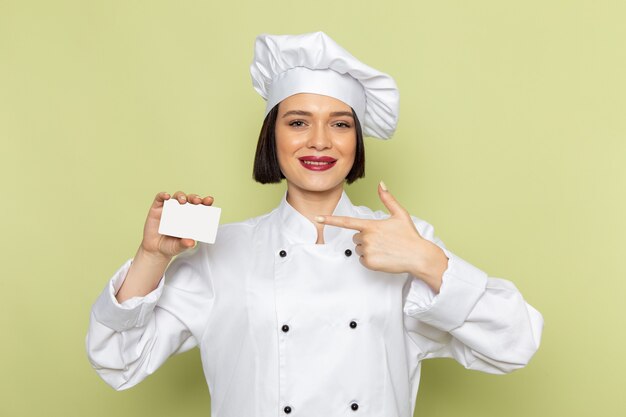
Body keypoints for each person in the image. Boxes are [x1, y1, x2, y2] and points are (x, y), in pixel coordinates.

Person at [86, 32, 543, 417]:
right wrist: (151, 258)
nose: (320, 141)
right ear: (273, 136)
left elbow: (515, 342)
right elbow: (118, 361)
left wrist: (427, 261)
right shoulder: (223, 249)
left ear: (356, 141)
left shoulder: (404, 241)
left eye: (340, 124)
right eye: (298, 122)